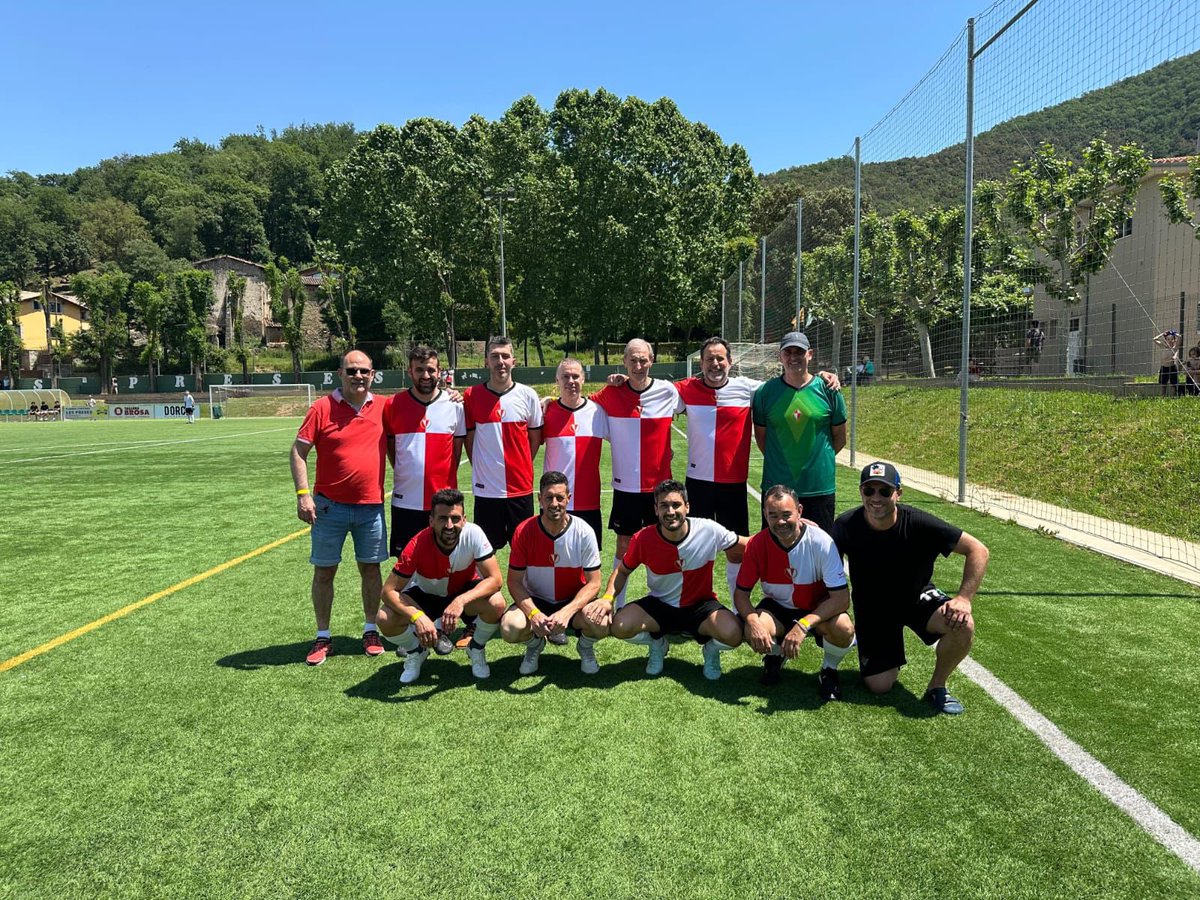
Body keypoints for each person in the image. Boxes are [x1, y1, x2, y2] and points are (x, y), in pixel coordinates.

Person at [830, 461, 990, 715]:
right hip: (874, 608)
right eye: (869, 491)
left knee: (962, 624)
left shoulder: (919, 522)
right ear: (861, 492)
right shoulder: (846, 525)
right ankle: (874, 648)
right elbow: (825, 561)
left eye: (884, 491)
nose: (876, 498)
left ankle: (937, 686)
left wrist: (964, 598)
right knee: (879, 686)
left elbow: (977, 550)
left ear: (898, 493)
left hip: (917, 598)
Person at [586, 479, 746, 681]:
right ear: (656, 509)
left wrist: (787, 533)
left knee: (734, 634)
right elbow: (622, 571)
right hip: (660, 605)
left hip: (700, 606)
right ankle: (657, 644)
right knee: (620, 626)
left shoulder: (709, 530)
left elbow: (748, 545)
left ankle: (711, 650)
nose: (670, 511)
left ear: (687, 507)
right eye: (664, 505)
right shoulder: (643, 538)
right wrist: (608, 597)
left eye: (676, 505)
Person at [290, 349, 388, 666]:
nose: (358, 376)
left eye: (363, 371)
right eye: (352, 371)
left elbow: (421, 401)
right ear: (340, 374)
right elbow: (298, 451)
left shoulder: (385, 407)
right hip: (328, 508)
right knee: (324, 572)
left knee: (371, 570)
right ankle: (323, 636)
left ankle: (371, 630)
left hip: (371, 507)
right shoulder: (321, 408)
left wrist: (454, 396)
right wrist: (303, 494)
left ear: (373, 374)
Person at [733, 485, 856, 699]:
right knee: (751, 627)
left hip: (816, 609)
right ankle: (775, 654)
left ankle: (829, 670)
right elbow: (741, 594)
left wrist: (804, 624)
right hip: (778, 609)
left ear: (799, 511)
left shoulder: (822, 542)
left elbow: (841, 599)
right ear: (765, 514)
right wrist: (752, 622)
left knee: (844, 628)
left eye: (786, 514)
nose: (780, 521)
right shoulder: (757, 544)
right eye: (773, 515)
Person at [377, 488, 506, 684]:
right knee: (384, 618)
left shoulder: (474, 533)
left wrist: (460, 601)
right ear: (431, 521)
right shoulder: (417, 544)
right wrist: (417, 616)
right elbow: (388, 591)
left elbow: (496, 579)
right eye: (442, 518)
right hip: (426, 594)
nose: (449, 525)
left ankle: (476, 648)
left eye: (455, 518)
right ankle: (416, 651)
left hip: (463, 591)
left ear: (464, 519)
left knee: (496, 603)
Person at [590, 339, 679, 601]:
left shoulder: (668, 391)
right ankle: (614, 606)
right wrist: (549, 401)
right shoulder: (609, 393)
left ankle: (665, 603)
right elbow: (577, 404)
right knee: (624, 545)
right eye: (633, 360)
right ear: (625, 361)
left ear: (652, 361)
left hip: (660, 488)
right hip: (626, 486)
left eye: (643, 360)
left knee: (663, 544)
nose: (638, 365)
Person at [500, 471, 607, 675]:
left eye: (560, 497)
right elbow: (514, 582)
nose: (555, 503)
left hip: (572, 601)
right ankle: (535, 645)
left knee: (602, 623)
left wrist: (567, 611)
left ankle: (585, 647)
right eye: (549, 497)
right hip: (537, 600)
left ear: (569, 498)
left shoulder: (584, 531)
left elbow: (594, 583)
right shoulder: (524, 531)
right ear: (539, 499)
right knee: (509, 628)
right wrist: (533, 614)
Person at [752, 332, 847, 533]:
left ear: (810, 354)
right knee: (776, 550)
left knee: (820, 549)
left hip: (818, 487)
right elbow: (763, 440)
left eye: (799, 352)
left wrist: (818, 460)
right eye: (788, 352)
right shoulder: (765, 392)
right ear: (780, 356)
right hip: (777, 488)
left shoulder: (829, 389)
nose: (793, 357)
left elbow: (839, 437)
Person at [383, 346, 466, 558]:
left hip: (444, 502)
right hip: (406, 500)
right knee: (407, 563)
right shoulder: (393, 404)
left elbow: (456, 452)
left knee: (448, 560)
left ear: (439, 372)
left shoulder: (455, 404)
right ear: (410, 372)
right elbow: (392, 450)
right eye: (419, 370)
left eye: (430, 370)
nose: (426, 375)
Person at [463, 336, 544, 551]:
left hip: (520, 488)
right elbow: (469, 441)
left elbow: (535, 439)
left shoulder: (528, 395)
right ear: (486, 362)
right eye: (495, 356)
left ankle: (522, 587)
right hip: (487, 491)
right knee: (486, 552)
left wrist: (522, 462)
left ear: (513, 361)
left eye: (505, 356)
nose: (500, 361)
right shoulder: (471, 395)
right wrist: (482, 468)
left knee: (525, 550)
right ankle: (492, 587)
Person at [542, 358, 608, 549]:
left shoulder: (598, 412)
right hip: (554, 501)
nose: (571, 381)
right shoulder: (545, 412)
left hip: (589, 501)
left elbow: (624, 439)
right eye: (565, 376)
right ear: (557, 381)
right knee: (551, 559)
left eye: (575, 376)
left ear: (583, 379)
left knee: (589, 560)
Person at [1154, 330, 1181, 397]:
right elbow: (1154, 339)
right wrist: (1162, 334)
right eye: (1168, 339)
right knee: (1163, 385)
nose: (1170, 341)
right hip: (1164, 368)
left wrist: (1174, 333)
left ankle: (1174, 397)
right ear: (1165, 340)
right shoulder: (1163, 346)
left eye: (1172, 339)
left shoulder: (1175, 348)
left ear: (1174, 341)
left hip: (1172, 368)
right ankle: (1162, 397)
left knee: (1174, 385)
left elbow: (1180, 337)